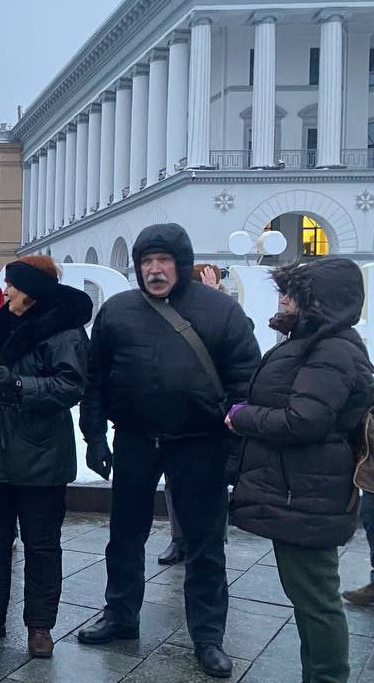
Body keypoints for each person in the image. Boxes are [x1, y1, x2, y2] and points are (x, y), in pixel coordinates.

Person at [77, 224, 261, 679]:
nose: (155, 270)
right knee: (124, 536)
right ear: (137, 266)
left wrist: (236, 445)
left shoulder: (220, 311)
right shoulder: (118, 311)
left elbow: (245, 381)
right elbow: (95, 378)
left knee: (203, 544)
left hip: (200, 442)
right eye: (146, 262)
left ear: (181, 263)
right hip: (137, 438)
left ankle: (207, 635)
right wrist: (95, 435)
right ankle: (120, 615)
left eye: (163, 261)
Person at [228, 258, 371, 683]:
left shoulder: (330, 349)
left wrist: (244, 416)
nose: (283, 300)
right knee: (308, 596)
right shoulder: (314, 342)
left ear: (317, 303)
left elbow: (303, 420)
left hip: (308, 493)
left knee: (316, 600)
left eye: (292, 294)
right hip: (300, 490)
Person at [0, 256, 90, 659]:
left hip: (42, 458)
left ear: (31, 291)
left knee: (41, 546)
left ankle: (40, 627)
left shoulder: (65, 332)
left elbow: (70, 386)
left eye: (14, 286)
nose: (7, 292)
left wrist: (18, 384)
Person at [160, 264, 231, 567]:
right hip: (172, 415)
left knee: (209, 482)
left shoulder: (227, 318)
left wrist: (213, 300)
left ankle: (211, 538)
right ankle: (179, 539)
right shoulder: (167, 317)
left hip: (209, 417)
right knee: (174, 480)